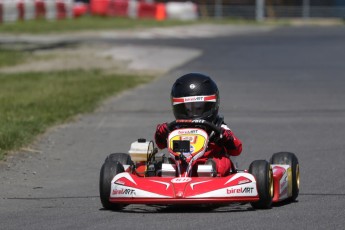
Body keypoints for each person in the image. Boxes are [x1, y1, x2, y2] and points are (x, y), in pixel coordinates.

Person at [154, 73, 242, 177]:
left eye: (198, 108)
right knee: (163, 164)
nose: (193, 113)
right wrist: (161, 133)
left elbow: (237, 149)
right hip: (181, 164)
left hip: (210, 163)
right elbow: (161, 145)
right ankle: (169, 177)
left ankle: (210, 173)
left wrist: (226, 137)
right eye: (188, 109)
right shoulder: (176, 127)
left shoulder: (218, 126)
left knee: (222, 162)